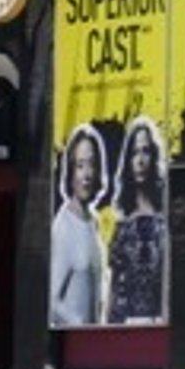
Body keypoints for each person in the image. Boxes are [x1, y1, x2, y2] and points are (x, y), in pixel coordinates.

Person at [107, 116, 168, 325]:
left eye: (145, 151)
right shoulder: (122, 226)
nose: (140, 161)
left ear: (154, 156)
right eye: (134, 153)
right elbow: (114, 290)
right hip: (126, 326)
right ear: (127, 161)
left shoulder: (166, 222)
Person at [50, 124, 107, 328]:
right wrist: (79, 325)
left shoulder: (94, 222)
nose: (86, 175)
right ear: (71, 171)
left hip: (96, 346)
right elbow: (51, 301)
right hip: (74, 345)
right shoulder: (63, 227)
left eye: (92, 165)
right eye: (80, 165)